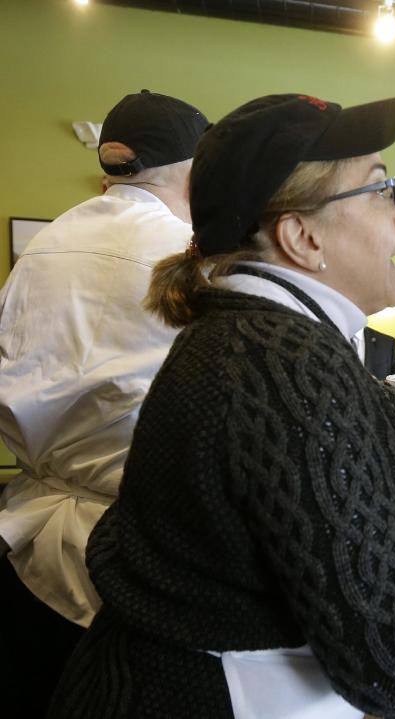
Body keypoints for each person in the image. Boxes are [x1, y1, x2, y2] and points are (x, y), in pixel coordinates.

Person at [50, 93, 395, 719]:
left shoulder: (257, 336)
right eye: (382, 190)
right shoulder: (284, 363)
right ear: (301, 236)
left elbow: (369, 396)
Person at [0, 89, 208, 716]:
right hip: (138, 563)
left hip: (27, 549)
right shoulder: (188, 258)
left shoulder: (41, 250)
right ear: (195, 172)